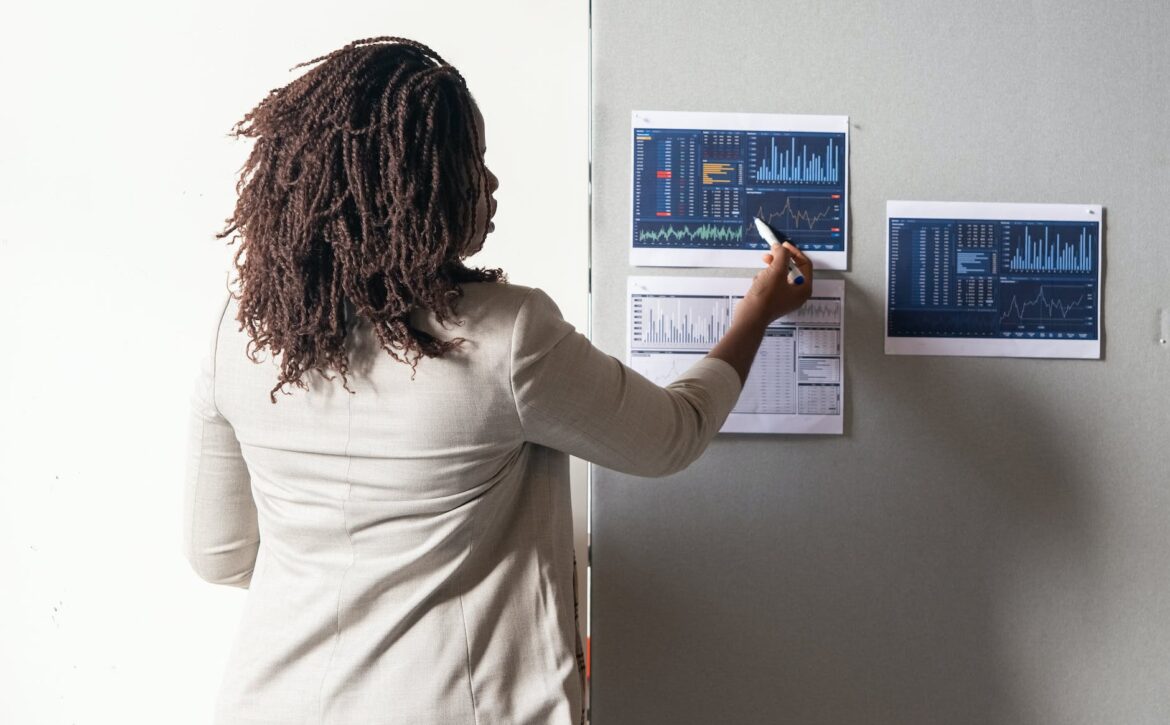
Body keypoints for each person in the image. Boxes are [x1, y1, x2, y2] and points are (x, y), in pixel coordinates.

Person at [184, 36, 812, 725]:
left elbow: (219, 556)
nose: (490, 183)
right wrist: (758, 312)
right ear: (412, 186)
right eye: (468, 163)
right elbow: (672, 436)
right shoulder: (505, 337)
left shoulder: (238, 338)